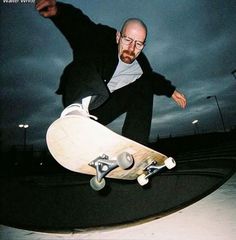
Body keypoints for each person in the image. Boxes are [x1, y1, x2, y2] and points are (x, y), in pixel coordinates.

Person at [36, 0, 187, 145]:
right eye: (128, 40)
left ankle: (135, 144)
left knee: (145, 83)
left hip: (101, 111)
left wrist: (171, 90)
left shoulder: (141, 66)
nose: (131, 48)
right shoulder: (102, 38)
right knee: (88, 51)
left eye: (138, 44)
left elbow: (153, 79)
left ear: (143, 45)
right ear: (118, 37)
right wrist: (59, 11)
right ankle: (76, 114)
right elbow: (80, 25)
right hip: (80, 95)